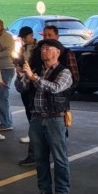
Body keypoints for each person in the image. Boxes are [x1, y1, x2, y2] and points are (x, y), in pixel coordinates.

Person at [16, 39, 74, 194]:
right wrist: (20, 75)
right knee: (40, 158)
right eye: (42, 48)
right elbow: (21, 88)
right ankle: (44, 190)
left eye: (48, 48)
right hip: (36, 118)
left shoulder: (64, 72)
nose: (43, 51)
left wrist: (33, 77)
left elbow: (55, 88)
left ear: (57, 52)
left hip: (55, 118)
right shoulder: (37, 70)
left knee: (59, 158)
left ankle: (62, 192)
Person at [19, 25, 79, 167]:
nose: (43, 49)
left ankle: (61, 182)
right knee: (39, 153)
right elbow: (23, 85)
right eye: (44, 35)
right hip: (37, 110)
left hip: (55, 111)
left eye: (50, 35)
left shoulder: (65, 58)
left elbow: (67, 81)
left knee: (59, 154)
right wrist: (21, 75)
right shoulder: (38, 58)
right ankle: (32, 156)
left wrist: (64, 95)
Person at [0, 18, 17, 133]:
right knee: (0, 95)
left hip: (5, 69)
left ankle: (6, 122)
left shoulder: (6, 37)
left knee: (2, 96)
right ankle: (6, 121)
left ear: (1, 26)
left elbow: (9, 51)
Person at [16, 26, 36, 144]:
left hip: (34, 80)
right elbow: (19, 61)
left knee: (33, 108)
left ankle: (34, 134)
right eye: (22, 38)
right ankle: (32, 133)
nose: (23, 40)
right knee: (28, 107)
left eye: (25, 37)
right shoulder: (23, 48)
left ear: (31, 35)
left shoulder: (38, 47)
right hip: (24, 80)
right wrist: (18, 64)